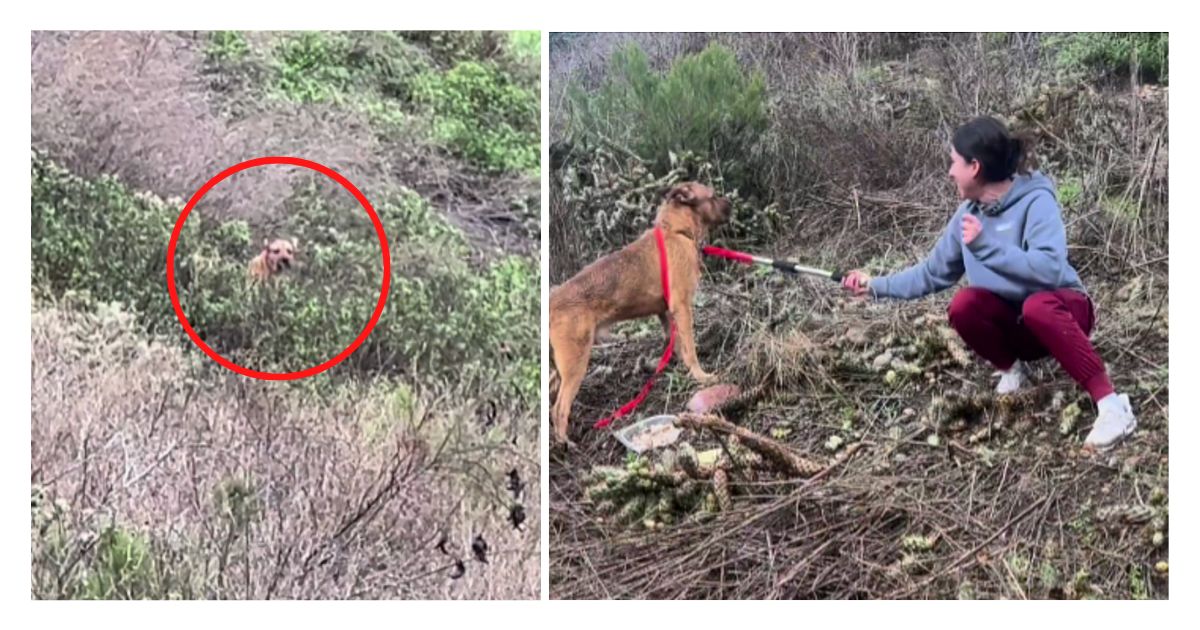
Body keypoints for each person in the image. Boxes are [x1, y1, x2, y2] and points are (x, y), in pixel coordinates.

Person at [840, 116, 1136, 452]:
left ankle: (1112, 405)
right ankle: (1013, 370)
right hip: (1022, 327)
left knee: (1036, 305)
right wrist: (876, 285)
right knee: (964, 304)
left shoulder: (1036, 201)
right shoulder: (968, 216)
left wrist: (986, 247)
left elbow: (1049, 270)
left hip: (1065, 313)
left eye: (954, 162)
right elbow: (931, 273)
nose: (950, 171)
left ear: (975, 167)